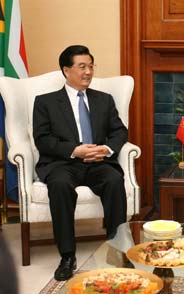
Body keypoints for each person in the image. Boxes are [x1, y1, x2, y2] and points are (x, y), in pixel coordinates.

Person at [33, 45, 128, 281]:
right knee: (60, 186)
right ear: (66, 70)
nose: (88, 72)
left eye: (91, 66)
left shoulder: (104, 100)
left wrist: (105, 150)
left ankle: (117, 249)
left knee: (114, 179)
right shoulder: (46, 102)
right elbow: (43, 139)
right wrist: (74, 150)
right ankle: (67, 256)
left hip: (97, 163)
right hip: (62, 163)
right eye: (82, 66)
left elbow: (119, 132)